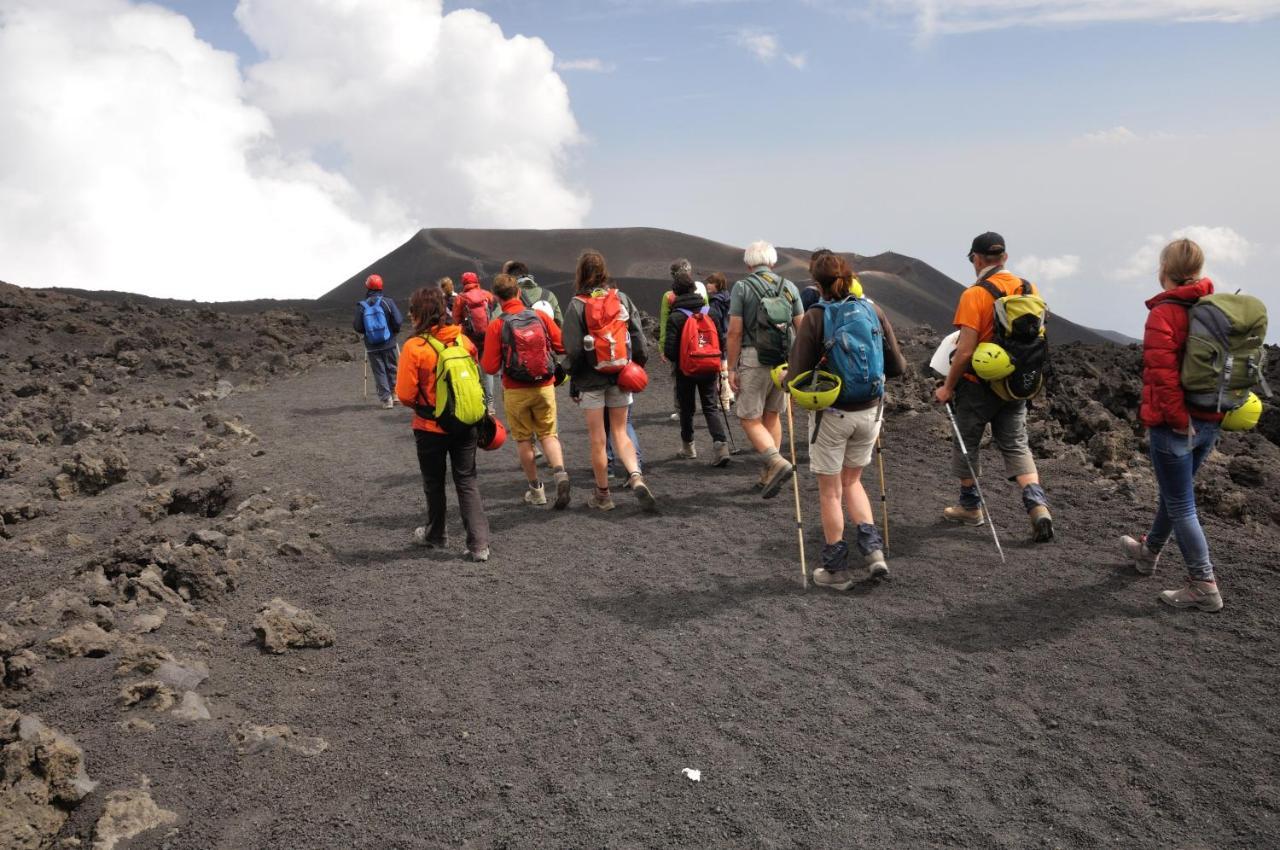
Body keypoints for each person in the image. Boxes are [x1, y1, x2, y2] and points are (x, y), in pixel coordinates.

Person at [784, 253, 907, 590]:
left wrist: (785, 380)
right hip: (870, 411)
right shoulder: (872, 310)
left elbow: (797, 374)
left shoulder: (816, 317)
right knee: (853, 482)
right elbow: (898, 367)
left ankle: (835, 570)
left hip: (833, 414)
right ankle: (874, 553)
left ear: (816, 283)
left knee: (830, 491)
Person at [1120, 239, 1225, 612]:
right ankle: (1148, 553)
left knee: (1182, 503)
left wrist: (1180, 421)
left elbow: (1162, 375)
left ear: (1164, 269)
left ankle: (1203, 584)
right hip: (1211, 419)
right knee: (1174, 494)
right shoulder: (1215, 308)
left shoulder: (1164, 313)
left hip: (1176, 424)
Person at [933, 232, 1054, 543]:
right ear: (1005, 258)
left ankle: (970, 507)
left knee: (967, 443)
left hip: (978, 386)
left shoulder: (975, 295)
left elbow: (965, 351)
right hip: (1016, 384)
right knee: (1015, 444)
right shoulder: (1029, 288)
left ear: (976, 258)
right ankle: (1037, 505)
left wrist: (947, 387)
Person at [395, 287, 490, 562]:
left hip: (429, 427)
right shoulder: (463, 341)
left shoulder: (415, 348)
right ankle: (479, 544)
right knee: (467, 480)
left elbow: (404, 394)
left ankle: (436, 534)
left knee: (434, 482)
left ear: (417, 314)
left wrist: (427, 406)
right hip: (467, 423)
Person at [562, 250, 657, 512]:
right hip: (620, 377)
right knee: (621, 432)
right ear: (604, 271)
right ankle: (635, 476)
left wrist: (572, 376)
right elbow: (638, 337)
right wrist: (636, 366)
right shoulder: (621, 298)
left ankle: (603, 495)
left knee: (598, 440)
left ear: (580, 273)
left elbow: (573, 350)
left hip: (591, 382)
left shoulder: (577, 305)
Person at [480, 274, 572, 509]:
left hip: (515, 390)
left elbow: (489, 367)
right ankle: (560, 473)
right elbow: (563, 345)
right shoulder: (540, 316)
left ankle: (536, 491)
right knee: (548, 434)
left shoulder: (498, 324)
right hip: (544, 386)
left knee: (524, 440)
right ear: (519, 293)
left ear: (497, 299)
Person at [726, 240, 804, 499]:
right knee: (772, 415)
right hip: (783, 362)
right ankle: (769, 474)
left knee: (749, 417)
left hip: (754, 358)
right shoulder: (789, 287)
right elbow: (802, 328)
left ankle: (776, 462)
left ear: (749, 263)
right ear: (772, 262)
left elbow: (735, 331)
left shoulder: (742, 287)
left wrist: (731, 367)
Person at [664, 262, 731, 466]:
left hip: (686, 370)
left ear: (675, 293)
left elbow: (670, 351)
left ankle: (689, 448)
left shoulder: (676, 316)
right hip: (709, 366)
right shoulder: (710, 312)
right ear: (694, 289)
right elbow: (721, 339)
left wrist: (681, 360)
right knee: (710, 406)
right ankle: (721, 446)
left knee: (687, 408)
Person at [352, 274, 404, 409]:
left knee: (379, 371)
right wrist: (394, 331)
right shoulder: (388, 302)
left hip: (372, 345)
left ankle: (386, 400)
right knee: (392, 367)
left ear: (367, 286)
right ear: (381, 286)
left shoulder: (362, 305)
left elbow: (357, 326)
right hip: (389, 341)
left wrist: (368, 332)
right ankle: (396, 395)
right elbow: (398, 320)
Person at [452, 271, 499, 414]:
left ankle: (480, 400)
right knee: (488, 371)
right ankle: (490, 404)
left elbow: (456, 319)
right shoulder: (486, 295)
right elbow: (494, 306)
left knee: (474, 368)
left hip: (470, 338)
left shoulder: (461, 298)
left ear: (464, 282)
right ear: (476, 281)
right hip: (487, 336)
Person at [705, 272, 735, 411]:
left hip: (720, 336)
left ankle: (724, 403)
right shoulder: (728, 297)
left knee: (721, 369)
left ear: (717, 284)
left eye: (710, 282)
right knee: (724, 364)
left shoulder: (716, 301)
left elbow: (714, 320)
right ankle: (729, 395)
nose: (707, 285)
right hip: (728, 334)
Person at [503, 261, 563, 327]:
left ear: (510, 279)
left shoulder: (508, 296)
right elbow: (560, 324)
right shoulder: (549, 296)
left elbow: (498, 322)